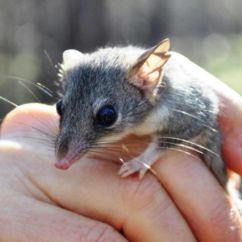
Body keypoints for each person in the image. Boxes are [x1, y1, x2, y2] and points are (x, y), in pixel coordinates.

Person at [0, 79, 242, 242]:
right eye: (63, 108)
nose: (63, 159)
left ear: (147, 81)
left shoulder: (173, 101)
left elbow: (197, 119)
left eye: (106, 117)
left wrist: (148, 157)